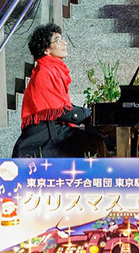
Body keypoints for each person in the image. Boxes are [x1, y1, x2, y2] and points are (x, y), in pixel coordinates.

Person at [13, 24, 106, 159]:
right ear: (46, 50)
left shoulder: (52, 69)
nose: (65, 43)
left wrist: (88, 114)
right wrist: (89, 114)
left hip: (53, 131)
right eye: (58, 40)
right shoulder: (43, 72)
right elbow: (61, 110)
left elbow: (63, 107)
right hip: (44, 138)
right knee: (93, 142)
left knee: (95, 137)